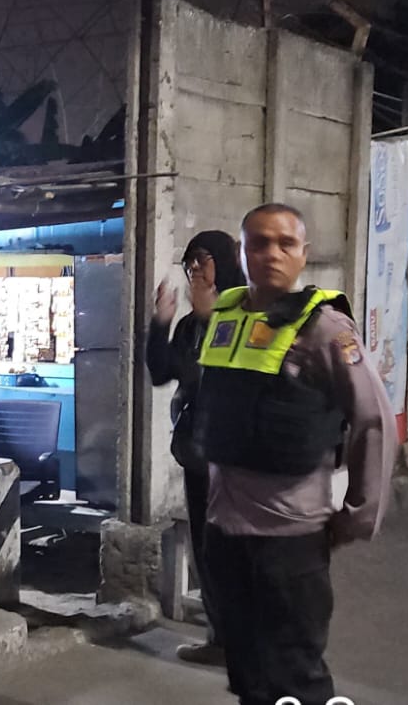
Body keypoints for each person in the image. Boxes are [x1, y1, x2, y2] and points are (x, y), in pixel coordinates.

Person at [193, 203, 396, 705]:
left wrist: (358, 515)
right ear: (241, 253)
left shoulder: (326, 329)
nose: (272, 254)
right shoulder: (225, 316)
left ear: (304, 254)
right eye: (258, 243)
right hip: (224, 535)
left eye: (286, 243)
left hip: (290, 542)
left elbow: (374, 422)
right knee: (246, 674)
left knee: (295, 679)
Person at [147, 230, 245, 667]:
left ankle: (247, 640)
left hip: (236, 461)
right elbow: (160, 372)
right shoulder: (190, 326)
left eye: (203, 262)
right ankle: (221, 638)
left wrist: (211, 318)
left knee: (236, 550)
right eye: (189, 265)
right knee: (206, 548)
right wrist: (161, 321)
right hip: (197, 454)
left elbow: (234, 381)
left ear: (224, 263)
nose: (195, 272)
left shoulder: (246, 318)